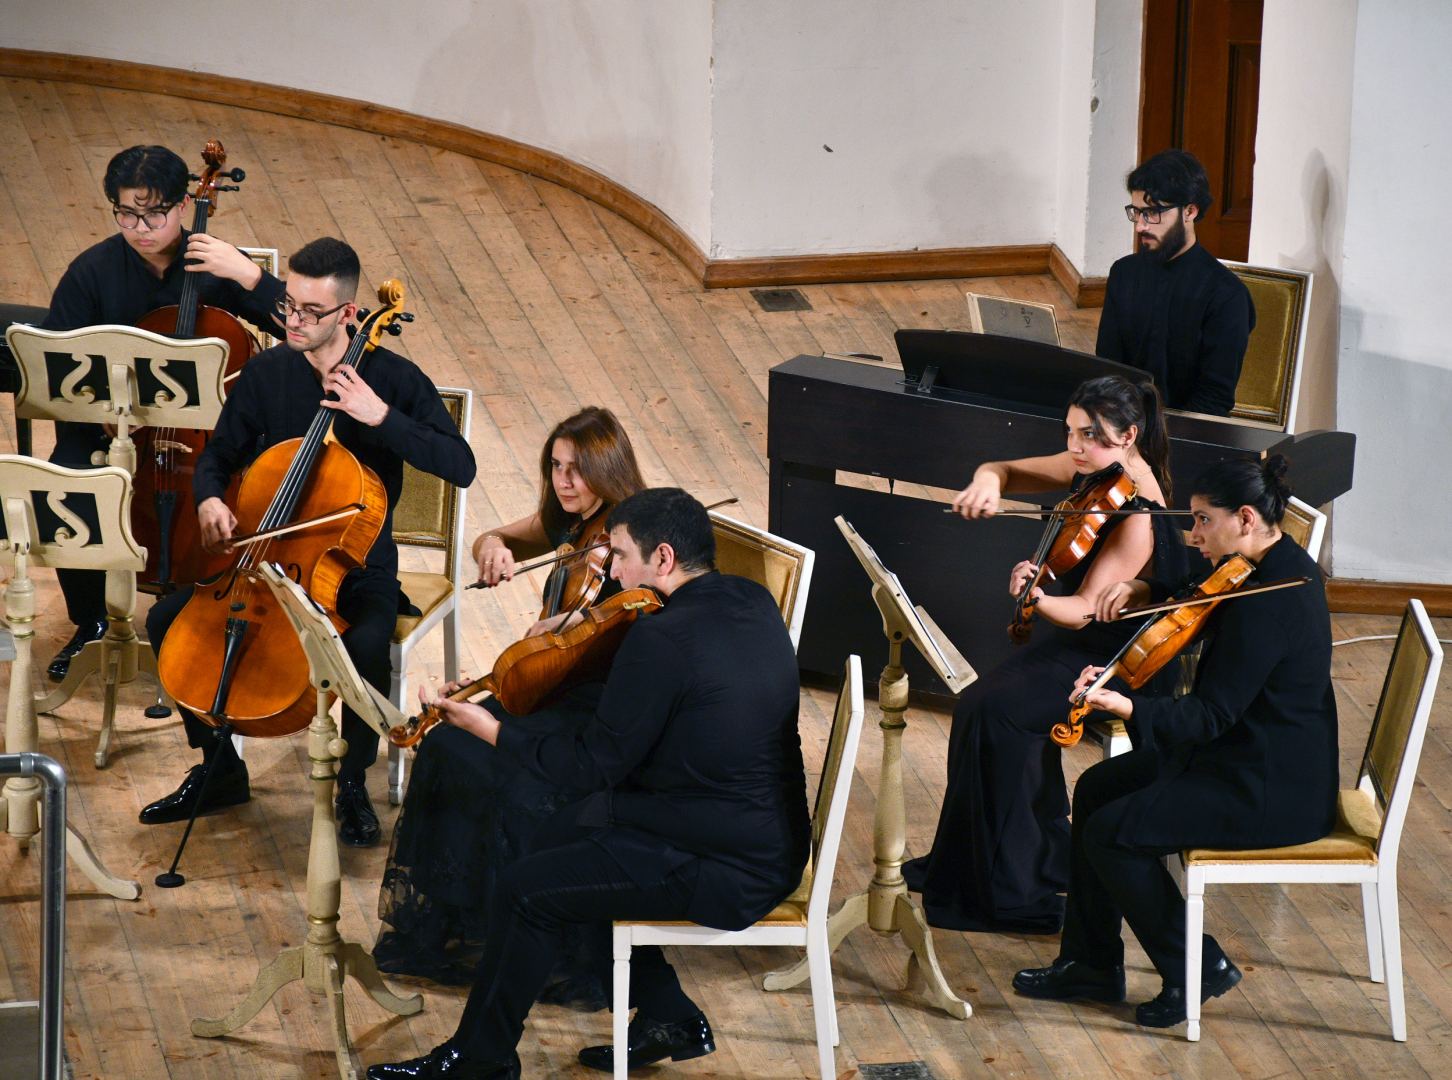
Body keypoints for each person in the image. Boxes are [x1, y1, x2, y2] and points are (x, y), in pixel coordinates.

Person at [365, 488, 809, 1080]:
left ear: (664, 560)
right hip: (760, 833)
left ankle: (481, 1059)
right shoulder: (750, 601)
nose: (613, 569)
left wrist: (490, 728)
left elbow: (589, 765)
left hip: (723, 862)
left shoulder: (663, 638)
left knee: (530, 885)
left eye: (621, 554)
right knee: (552, 834)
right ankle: (667, 1014)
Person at [140, 236, 476, 846]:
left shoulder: (394, 381)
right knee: (167, 623)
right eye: (289, 304)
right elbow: (219, 454)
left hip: (356, 568)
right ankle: (220, 767)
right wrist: (211, 498)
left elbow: (461, 465)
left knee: (368, 646)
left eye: (310, 312)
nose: (292, 320)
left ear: (349, 314)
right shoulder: (268, 373)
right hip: (265, 557)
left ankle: (352, 782)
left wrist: (382, 419)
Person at [1013, 455, 1336, 1029]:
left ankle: (1197, 965)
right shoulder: (1257, 564)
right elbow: (1194, 592)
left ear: (1243, 518)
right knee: (1095, 789)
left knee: (1114, 834)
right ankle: (1089, 963)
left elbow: (1210, 715)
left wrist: (1128, 705)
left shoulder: (1272, 600)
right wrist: (1143, 584)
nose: (1193, 535)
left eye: (1202, 522)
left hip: (1268, 786)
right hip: (1239, 755)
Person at [374, 405, 645, 997]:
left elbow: (586, 644)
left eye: (578, 470)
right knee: (446, 742)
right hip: (549, 688)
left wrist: (543, 636)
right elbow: (492, 537)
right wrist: (492, 547)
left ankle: (516, 936)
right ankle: (456, 921)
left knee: (470, 755)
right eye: (555, 467)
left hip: (592, 711)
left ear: (610, 470)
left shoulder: (629, 541)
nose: (564, 482)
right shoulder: (570, 521)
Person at [902, 375, 1188, 934]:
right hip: (1082, 642)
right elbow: (1005, 470)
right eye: (1070, 432)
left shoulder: (1137, 511)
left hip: (1118, 660)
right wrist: (987, 479)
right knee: (979, 704)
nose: (1075, 447)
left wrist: (1036, 596)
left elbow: (1084, 608)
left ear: (1129, 435)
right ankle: (1002, 858)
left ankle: (1015, 887)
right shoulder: (1098, 469)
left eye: (1090, 435)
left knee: (994, 712)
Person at [37, 144, 287, 681]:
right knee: (69, 484)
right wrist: (96, 412)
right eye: (127, 213)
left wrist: (249, 276)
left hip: (206, 441)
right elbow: (57, 369)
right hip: (114, 430)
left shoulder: (215, 267)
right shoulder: (91, 273)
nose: (141, 227)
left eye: (154, 213)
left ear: (183, 205)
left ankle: (212, 611)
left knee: (249, 486)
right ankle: (91, 624)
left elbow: (305, 330)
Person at [1095, 148, 1256, 416]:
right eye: (1136, 212)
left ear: (1190, 211)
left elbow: (1213, 400)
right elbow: (1108, 371)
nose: (1140, 226)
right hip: (1123, 428)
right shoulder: (1124, 273)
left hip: (1189, 437)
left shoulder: (1227, 295)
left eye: (1153, 213)